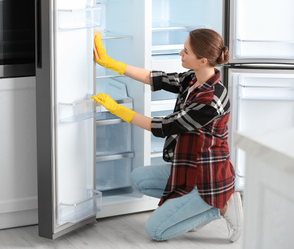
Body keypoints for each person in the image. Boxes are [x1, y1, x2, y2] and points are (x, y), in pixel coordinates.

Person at [91, 28, 243, 242]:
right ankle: (195, 206)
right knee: (139, 179)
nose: (181, 54)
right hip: (188, 166)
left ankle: (220, 208)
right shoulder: (194, 79)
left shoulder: (210, 101)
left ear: (202, 60)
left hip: (207, 178)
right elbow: (156, 79)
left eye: (186, 51)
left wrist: (117, 109)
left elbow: (164, 126)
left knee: (155, 231)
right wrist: (110, 62)